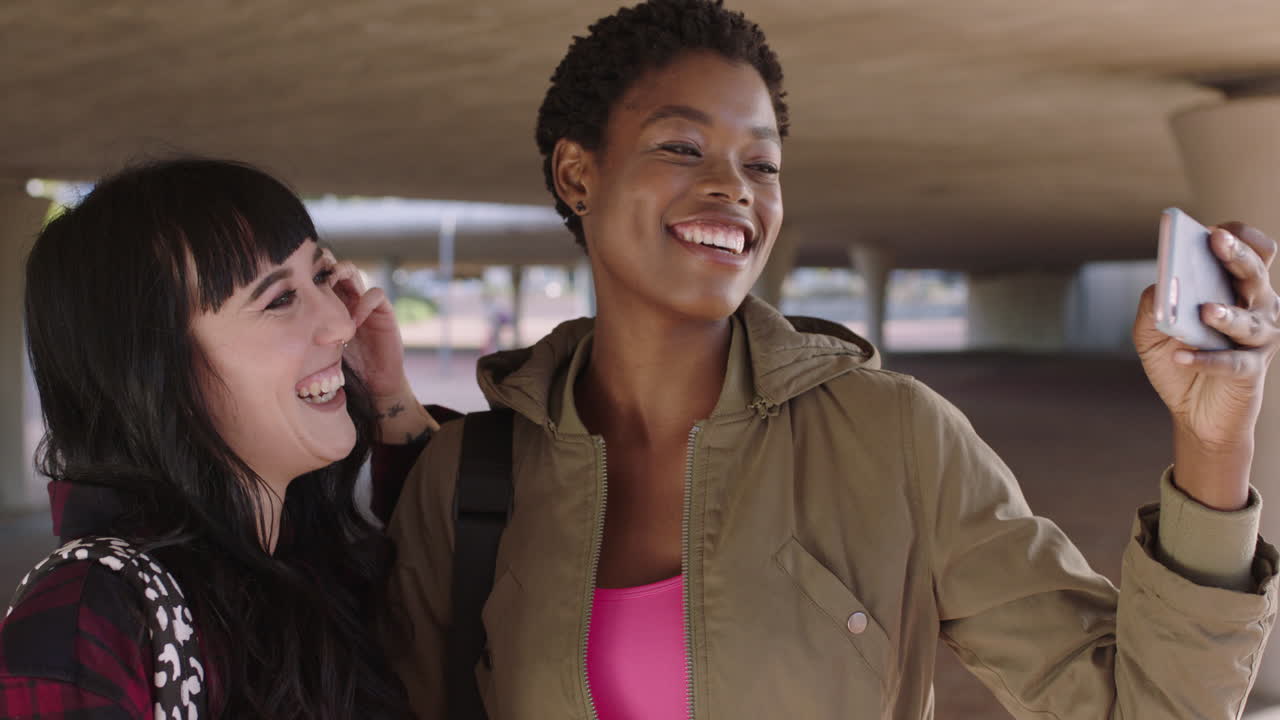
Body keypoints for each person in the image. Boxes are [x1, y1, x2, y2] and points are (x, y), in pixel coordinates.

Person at [382, 1, 1280, 718]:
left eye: (762, 164)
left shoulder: (894, 440)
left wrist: (1214, 450)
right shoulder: (468, 483)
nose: (734, 186)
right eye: (682, 147)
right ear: (578, 176)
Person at [0, 158, 435, 719]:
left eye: (324, 276)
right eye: (279, 299)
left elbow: (456, 585)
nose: (342, 323)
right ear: (153, 372)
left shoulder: (308, 567)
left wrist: (388, 397)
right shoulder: (91, 624)